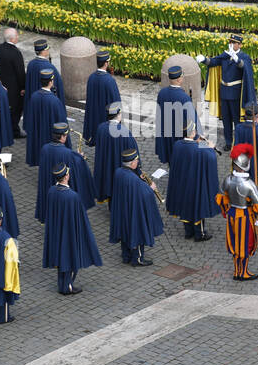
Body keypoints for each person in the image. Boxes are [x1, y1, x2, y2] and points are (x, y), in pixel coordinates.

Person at [42, 162, 102, 295]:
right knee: (70, 257)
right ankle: (67, 285)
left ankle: (62, 284)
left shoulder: (51, 191)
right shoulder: (72, 196)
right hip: (69, 231)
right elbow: (79, 217)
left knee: (61, 257)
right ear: (66, 176)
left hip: (56, 230)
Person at [217, 144, 258, 281]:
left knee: (234, 242)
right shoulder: (249, 184)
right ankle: (242, 272)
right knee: (245, 244)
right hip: (244, 216)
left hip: (232, 214)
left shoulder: (227, 179)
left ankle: (237, 271)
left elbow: (221, 197)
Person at [165, 121, 218, 242]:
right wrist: (210, 146)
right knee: (196, 206)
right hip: (194, 182)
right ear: (192, 132)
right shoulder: (198, 148)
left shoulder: (177, 144)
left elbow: (194, 145)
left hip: (182, 182)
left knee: (185, 205)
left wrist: (201, 143)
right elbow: (210, 157)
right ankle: (200, 233)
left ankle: (188, 232)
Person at [201, 34, 255, 152]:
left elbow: (244, 68)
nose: (231, 44)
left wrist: (237, 60)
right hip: (224, 93)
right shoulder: (225, 55)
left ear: (240, 44)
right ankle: (229, 142)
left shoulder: (244, 57)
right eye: (230, 42)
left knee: (237, 120)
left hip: (236, 94)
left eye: (233, 42)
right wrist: (204, 60)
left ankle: (238, 142)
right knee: (226, 120)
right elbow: (214, 62)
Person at [110, 148, 163, 267]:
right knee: (136, 231)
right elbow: (145, 193)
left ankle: (126, 255)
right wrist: (151, 188)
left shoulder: (118, 172)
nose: (138, 162)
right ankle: (137, 258)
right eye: (136, 160)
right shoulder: (133, 180)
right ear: (132, 163)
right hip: (133, 209)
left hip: (123, 208)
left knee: (125, 231)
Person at [35, 122, 93, 223]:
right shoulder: (67, 153)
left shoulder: (45, 149)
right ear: (62, 137)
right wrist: (81, 158)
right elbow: (76, 168)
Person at [92, 100, 137, 203]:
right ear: (118, 115)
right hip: (119, 165)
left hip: (105, 164)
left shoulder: (100, 128)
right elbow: (133, 151)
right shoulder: (124, 131)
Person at [25, 68, 67, 167]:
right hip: (51, 135)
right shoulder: (55, 100)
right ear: (51, 81)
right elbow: (61, 120)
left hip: (38, 133)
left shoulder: (34, 96)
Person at [154, 64, 194, 165]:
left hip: (166, 134)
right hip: (179, 136)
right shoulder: (184, 97)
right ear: (179, 79)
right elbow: (189, 121)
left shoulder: (161, 93)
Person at [23, 38, 64, 137]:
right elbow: (58, 86)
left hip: (34, 100)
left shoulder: (31, 64)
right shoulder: (49, 67)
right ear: (44, 51)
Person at [83, 50, 120, 149]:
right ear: (106, 63)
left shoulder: (91, 77)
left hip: (94, 116)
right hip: (106, 117)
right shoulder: (109, 80)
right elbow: (116, 102)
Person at [0, 28, 27, 138]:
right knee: (16, 110)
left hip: (1, 84)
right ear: (12, 39)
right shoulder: (15, 53)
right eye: (17, 36)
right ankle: (14, 131)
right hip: (14, 88)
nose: (18, 37)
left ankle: (4, 128)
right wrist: (23, 87)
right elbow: (20, 72)